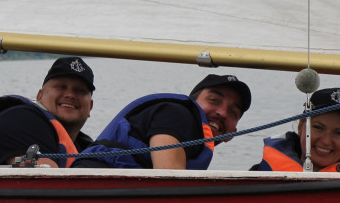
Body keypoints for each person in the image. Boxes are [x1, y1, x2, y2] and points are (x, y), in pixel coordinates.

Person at [72, 73, 251, 170]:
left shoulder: (194, 144)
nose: (222, 112)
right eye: (214, 100)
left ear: (232, 134)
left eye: (232, 112)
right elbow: (169, 181)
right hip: (91, 191)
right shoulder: (179, 113)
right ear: (193, 104)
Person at [0, 56, 96, 167]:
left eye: (80, 91)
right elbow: (44, 181)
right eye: (61, 87)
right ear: (39, 97)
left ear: (90, 107)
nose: (70, 95)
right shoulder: (23, 121)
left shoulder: (86, 149)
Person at [250, 87, 340, 173]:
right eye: (318, 128)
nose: (326, 141)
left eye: (339, 133)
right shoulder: (257, 177)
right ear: (300, 127)